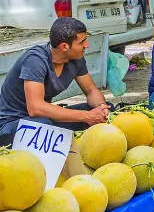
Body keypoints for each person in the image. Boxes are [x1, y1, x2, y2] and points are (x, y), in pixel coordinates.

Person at [0, 18, 110, 146]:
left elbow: (91, 91)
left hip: (44, 120)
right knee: (43, 126)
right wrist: (87, 116)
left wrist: (101, 108)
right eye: (82, 42)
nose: (87, 45)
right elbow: (35, 108)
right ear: (64, 46)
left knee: (105, 110)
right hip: (9, 125)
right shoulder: (35, 60)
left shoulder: (76, 59)